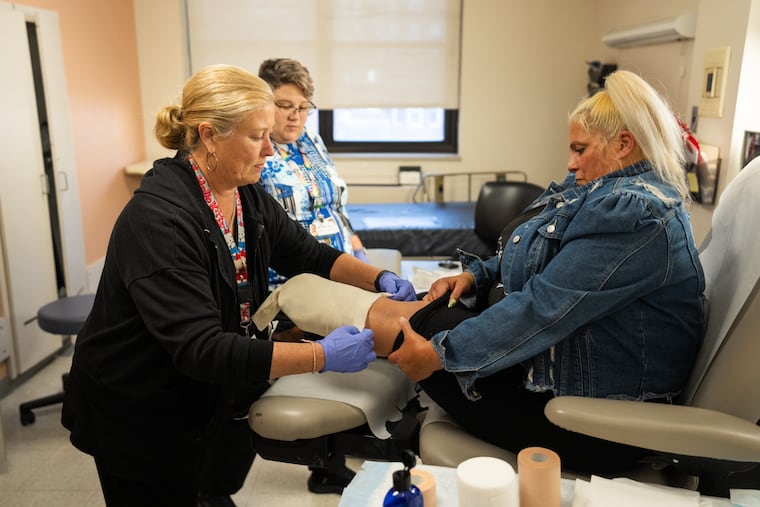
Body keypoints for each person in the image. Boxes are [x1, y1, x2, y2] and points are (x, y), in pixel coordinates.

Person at [257, 70, 706, 474]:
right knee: (430, 312)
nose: (570, 163)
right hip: (569, 378)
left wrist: (436, 355)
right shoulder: (608, 190)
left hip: (592, 424)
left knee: (424, 324)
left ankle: (297, 318)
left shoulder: (634, 213)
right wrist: (478, 276)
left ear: (623, 144)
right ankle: (319, 323)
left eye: (579, 149)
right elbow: (546, 253)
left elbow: (543, 309)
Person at [60, 64, 416, 507]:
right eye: (256, 136)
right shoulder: (161, 222)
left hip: (203, 395)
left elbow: (308, 253)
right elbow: (202, 348)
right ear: (209, 135)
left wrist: (379, 277)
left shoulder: (243, 194)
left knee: (211, 486)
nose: (270, 149)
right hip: (138, 408)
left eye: (269, 134)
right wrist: (320, 356)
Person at [257, 58, 370, 287]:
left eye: (304, 106)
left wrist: (360, 255)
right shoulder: (258, 150)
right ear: (265, 104)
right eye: (286, 105)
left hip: (341, 272)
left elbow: (337, 207)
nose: (296, 115)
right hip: (292, 281)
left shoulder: (312, 140)